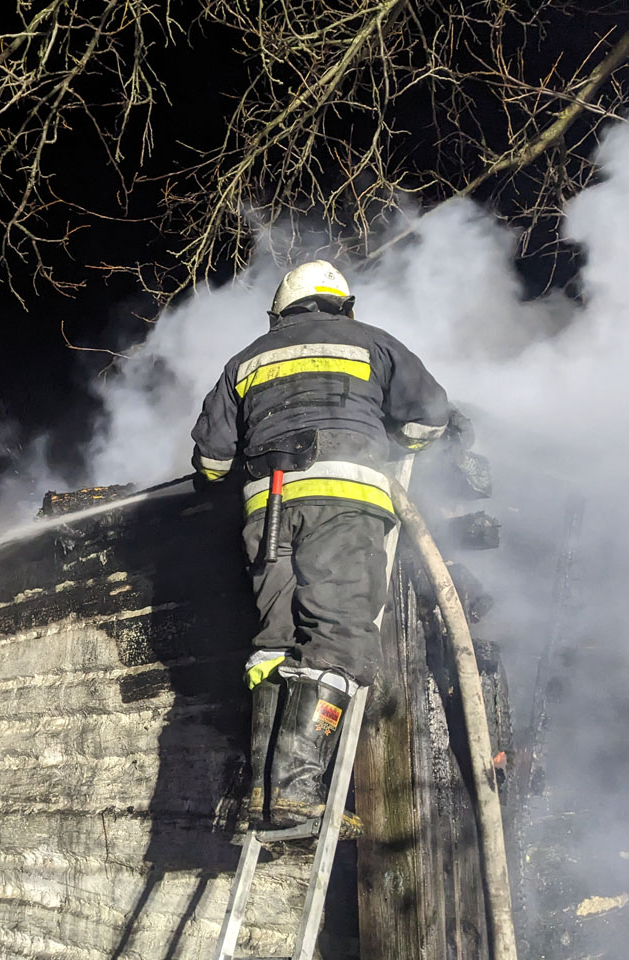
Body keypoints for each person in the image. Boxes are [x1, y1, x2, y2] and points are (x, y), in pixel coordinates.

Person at [190, 260, 466, 834]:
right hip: (345, 503)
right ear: (344, 305)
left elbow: (212, 461)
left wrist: (226, 470)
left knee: (275, 644)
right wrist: (391, 438)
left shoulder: (245, 360)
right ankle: (295, 794)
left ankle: (266, 793)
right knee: (337, 641)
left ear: (280, 310)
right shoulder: (374, 343)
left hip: (267, 513)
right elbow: (429, 418)